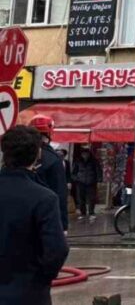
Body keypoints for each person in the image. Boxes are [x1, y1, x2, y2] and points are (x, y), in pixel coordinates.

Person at [0, 125, 69, 305]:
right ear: (37, 154)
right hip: (27, 292)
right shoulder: (44, 198)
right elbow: (57, 250)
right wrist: (41, 279)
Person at [29, 115, 69, 232]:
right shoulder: (54, 159)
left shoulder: (19, 154)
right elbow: (60, 193)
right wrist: (63, 225)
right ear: (49, 133)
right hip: (44, 217)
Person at [72, 147, 103, 223]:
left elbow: (98, 171)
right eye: (83, 154)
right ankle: (83, 213)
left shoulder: (94, 161)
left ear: (89, 154)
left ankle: (91, 212)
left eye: (86, 154)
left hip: (91, 182)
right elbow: (73, 172)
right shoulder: (78, 161)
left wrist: (99, 180)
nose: (85, 155)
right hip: (80, 182)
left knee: (92, 198)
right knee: (81, 198)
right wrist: (76, 178)